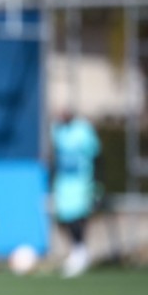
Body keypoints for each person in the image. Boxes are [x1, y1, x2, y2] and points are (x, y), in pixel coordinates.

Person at [50, 107, 102, 278]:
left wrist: (97, 183)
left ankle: (81, 252)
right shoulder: (57, 131)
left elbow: (96, 157)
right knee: (64, 219)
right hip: (64, 184)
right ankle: (76, 251)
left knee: (78, 218)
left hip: (82, 182)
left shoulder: (84, 131)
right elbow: (55, 159)